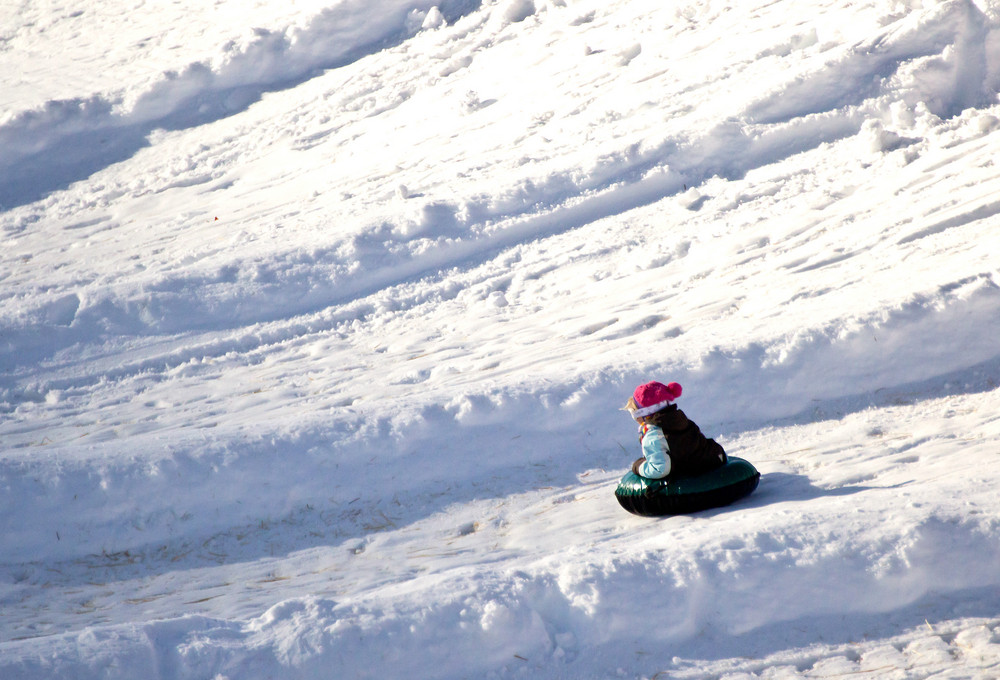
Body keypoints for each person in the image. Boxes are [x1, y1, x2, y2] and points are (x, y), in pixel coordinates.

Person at [624, 381, 727, 479]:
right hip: (709, 460)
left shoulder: (653, 435)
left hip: (690, 477)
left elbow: (660, 470)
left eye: (634, 413)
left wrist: (638, 466)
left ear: (645, 415)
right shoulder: (682, 420)